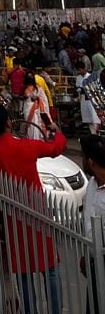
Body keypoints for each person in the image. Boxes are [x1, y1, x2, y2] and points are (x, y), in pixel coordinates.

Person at [0, 105, 64, 314]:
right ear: (9, 123)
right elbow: (56, 148)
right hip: (37, 214)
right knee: (50, 269)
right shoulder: (26, 146)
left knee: (23, 271)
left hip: (12, 218)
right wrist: (55, 131)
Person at [80, 134, 105, 314]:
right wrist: (86, 254)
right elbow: (88, 222)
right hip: (94, 260)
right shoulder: (91, 184)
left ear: (90, 161)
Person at [77, 63, 100, 137]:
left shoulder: (90, 77)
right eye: (78, 70)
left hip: (91, 100)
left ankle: (97, 134)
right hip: (83, 100)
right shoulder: (78, 77)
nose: (79, 72)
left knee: (94, 118)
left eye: (80, 70)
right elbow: (78, 87)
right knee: (88, 119)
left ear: (84, 69)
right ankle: (93, 135)